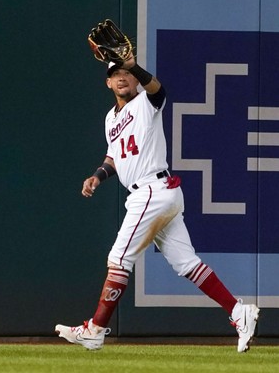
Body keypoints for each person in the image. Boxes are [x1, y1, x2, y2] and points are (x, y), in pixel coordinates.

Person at [55, 52, 259, 352]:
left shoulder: (145, 102)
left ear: (135, 77)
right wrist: (99, 175)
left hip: (151, 191)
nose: (122, 77)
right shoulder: (111, 118)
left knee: (119, 259)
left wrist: (133, 63)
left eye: (127, 72)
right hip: (158, 194)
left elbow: (158, 90)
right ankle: (238, 310)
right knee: (187, 263)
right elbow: (115, 156)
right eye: (116, 73)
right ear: (108, 82)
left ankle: (95, 329)